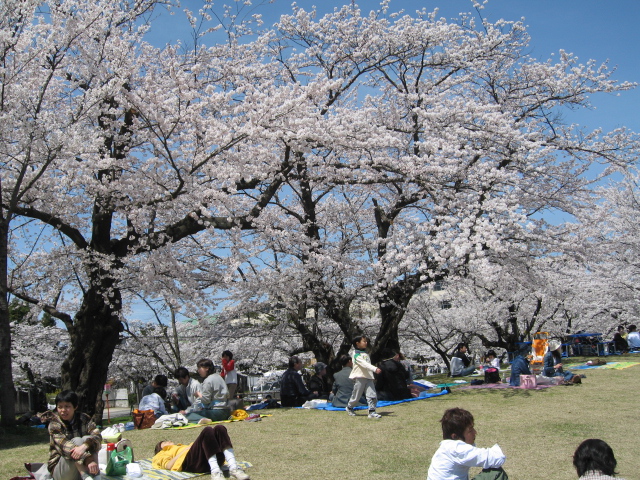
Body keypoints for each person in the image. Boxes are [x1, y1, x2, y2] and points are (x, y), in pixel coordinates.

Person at [427, 407, 508, 480]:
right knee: (496, 473)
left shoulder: (446, 447)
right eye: (470, 430)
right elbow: (497, 458)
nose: (475, 432)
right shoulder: (457, 449)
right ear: (455, 436)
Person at [153, 425, 249, 480]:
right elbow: (168, 466)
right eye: (165, 442)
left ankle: (234, 468)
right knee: (207, 430)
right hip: (191, 463)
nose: (168, 441)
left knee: (220, 428)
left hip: (205, 460)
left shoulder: (179, 446)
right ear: (160, 448)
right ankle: (215, 472)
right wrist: (184, 451)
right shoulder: (160, 454)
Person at [44, 390, 102, 480]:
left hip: (81, 467)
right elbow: (67, 448)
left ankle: (95, 476)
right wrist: (88, 460)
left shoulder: (84, 419)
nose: (63, 410)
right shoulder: (54, 425)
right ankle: (86, 476)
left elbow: (97, 436)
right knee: (77, 441)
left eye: (67, 407)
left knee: (88, 439)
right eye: (60, 407)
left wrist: (85, 445)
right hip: (63, 471)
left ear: (75, 407)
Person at [346, 335, 382, 418]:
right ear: (357, 343)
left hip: (368, 376)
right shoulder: (355, 354)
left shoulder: (365, 352)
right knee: (357, 395)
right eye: (364, 341)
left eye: (366, 341)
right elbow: (363, 363)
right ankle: (349, 407)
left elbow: (367, 364)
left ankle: (372, 411)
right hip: (359, 376)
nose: (366, 343)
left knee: (372, 394)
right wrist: (375, 369)